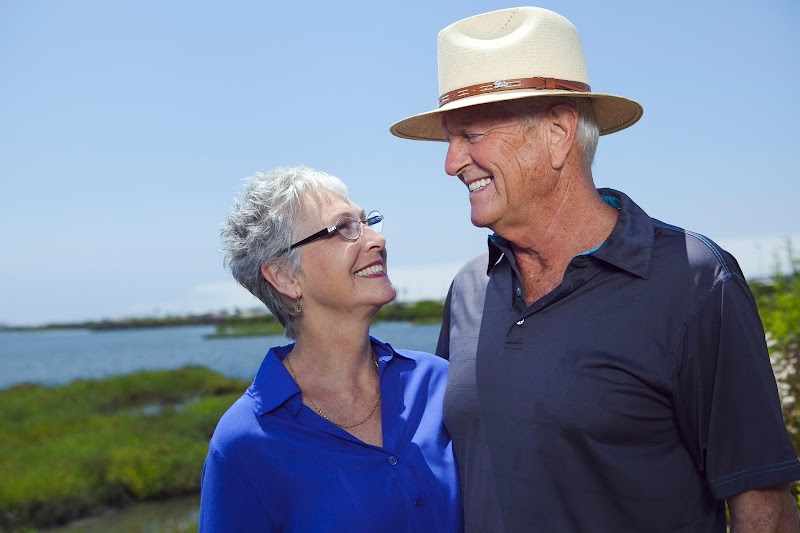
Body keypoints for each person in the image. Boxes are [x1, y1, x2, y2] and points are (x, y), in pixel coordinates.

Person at [390, 6, 800, 532]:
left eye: (470, 134)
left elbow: (764, 510)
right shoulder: (469, 288)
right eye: (450, 139)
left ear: (558, 132)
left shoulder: (696, 282)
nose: (450, 163)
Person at [199, 166, 462, 531]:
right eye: (343, 228)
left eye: (367, 222)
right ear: (285, 276)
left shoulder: (439, 383)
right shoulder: (244, 442)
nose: (377, 240)